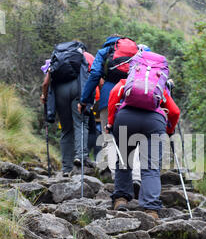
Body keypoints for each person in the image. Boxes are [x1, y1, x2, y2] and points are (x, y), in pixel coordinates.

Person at [106, 71, 180, 219]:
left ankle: (121, 200)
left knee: (123, 160)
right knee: (151, 167)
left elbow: (114, 94)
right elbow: (174, 111)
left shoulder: (127, 82)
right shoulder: (159, 87)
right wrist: (169, 130)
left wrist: (110, 121)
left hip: (125, 118)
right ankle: (151, 209)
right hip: (154, 121)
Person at [78, 35, 141, 188]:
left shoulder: (104, 52)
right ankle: (136, 177)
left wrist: (84, 100)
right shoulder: (136, 51)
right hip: (132, 94)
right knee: (135, 137)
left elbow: (94, 75)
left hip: (109, 96)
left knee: (109, 137)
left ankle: (117, 178)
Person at [40, 41, 92, 177]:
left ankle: (66, 168)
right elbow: (88, 77)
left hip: (59, 92)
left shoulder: (56, 58)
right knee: (80, 123)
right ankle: (80, 157)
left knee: (66, 129)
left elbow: (46, 82)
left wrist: (44, 96)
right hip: (76, 88)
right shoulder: (81, 57)